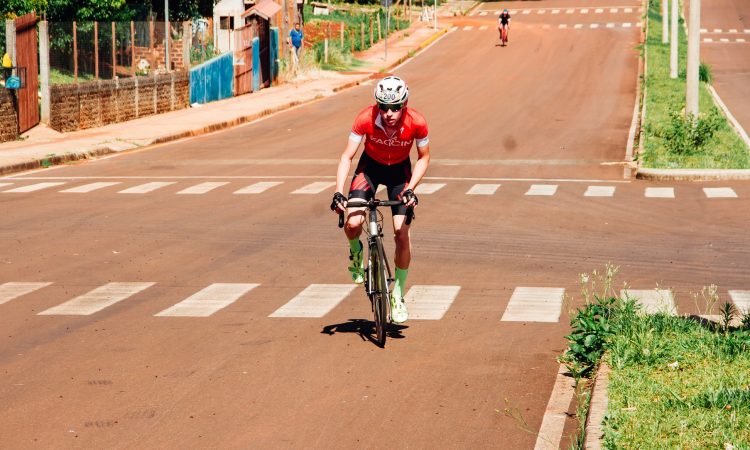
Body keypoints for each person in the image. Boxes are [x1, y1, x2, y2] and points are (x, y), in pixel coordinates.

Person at [330, 76, 430, 324]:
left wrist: (412, 189)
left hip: (399, 173)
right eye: (384, 107)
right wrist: (338, 190)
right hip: (370, 169)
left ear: (404, 103)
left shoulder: (417, 122)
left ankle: (397, 293)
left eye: (395, 106)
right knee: (352, 224)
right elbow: (347, 157)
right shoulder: (365, 118)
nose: (389, 113)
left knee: (401, 233)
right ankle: (356, 252)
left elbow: (424, 158)